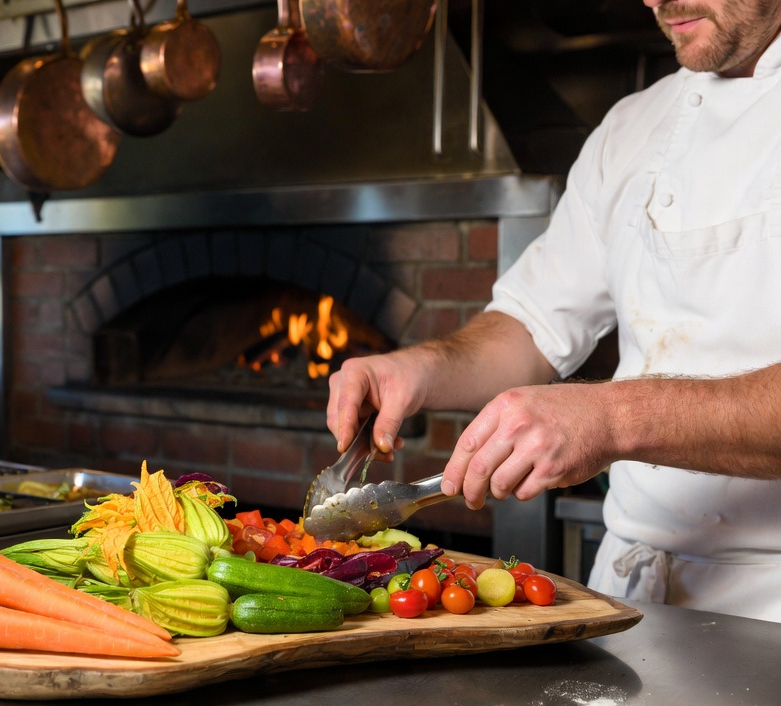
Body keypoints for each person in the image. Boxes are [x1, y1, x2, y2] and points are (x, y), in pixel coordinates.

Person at [326, 0, 781, 622]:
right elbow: (531, 326)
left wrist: (613, 420)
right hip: (632, 586)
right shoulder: (632, 126)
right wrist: (418, 368)